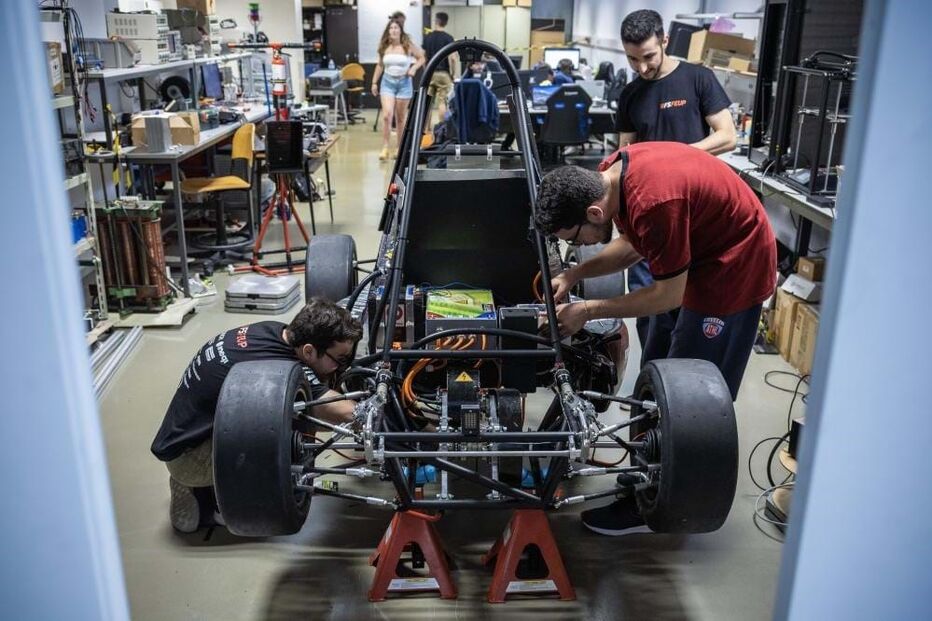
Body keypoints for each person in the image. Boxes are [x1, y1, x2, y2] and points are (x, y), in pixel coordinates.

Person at [535, 142, 775, 535]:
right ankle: (646, 474)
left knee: (689, 393)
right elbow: (632, 246)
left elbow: (668, 295)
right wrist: (575, 276)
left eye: (576, 240)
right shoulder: (612, 173)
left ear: (594, 212)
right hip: (700, 254)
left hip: (732, 268)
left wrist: (588, 310)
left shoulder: (654, 202)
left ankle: (659, 503)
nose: (579, 248)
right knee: (659, 374)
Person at [150, 298, 363, 533]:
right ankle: (206, 497)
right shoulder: (277, 364)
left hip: (186, 434)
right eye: (340, 359)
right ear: (309, 351)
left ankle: (209, 486)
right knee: (289, 436)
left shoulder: (275, 331)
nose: (342, 367)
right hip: (188, 458)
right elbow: (337, 411)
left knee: (291, 415)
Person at [615, 9, 738, 374]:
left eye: (648, 56)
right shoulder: (631, 94)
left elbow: (727, 135)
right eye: (632, 59)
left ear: (665, 41)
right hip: (650, 217)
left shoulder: (698, 79)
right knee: (650, 314)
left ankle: (684, 390)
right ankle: (651, 388)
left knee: (687, 310)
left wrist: (675, 157)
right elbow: (626, 154)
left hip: (694, 216)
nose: (641, 67)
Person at [371, 19, 426, 160]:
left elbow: (421, 58)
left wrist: (413, 68)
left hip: (404, 83)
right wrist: (374, 83)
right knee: (387, 115)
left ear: (400, 30)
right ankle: (385, 147)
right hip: (387, 83)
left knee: (400, 118)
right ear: (388, 31)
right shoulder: (385, 47)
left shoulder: (407, 45)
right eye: (391, 28)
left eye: (396, 28)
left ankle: (399, 148)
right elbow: (379, 65)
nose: (394, 30)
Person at [422, 11, 459, 130]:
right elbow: (453, 59)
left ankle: (425, 131)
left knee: (427, 103)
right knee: (442, 102)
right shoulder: (448, 38)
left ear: (436, 21)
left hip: (430, 73)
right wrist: (453, 74)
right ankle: (441, 130)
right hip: (443, 74)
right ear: (446, 23)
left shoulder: (427, 38)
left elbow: (423, 58)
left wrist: (426, 71)